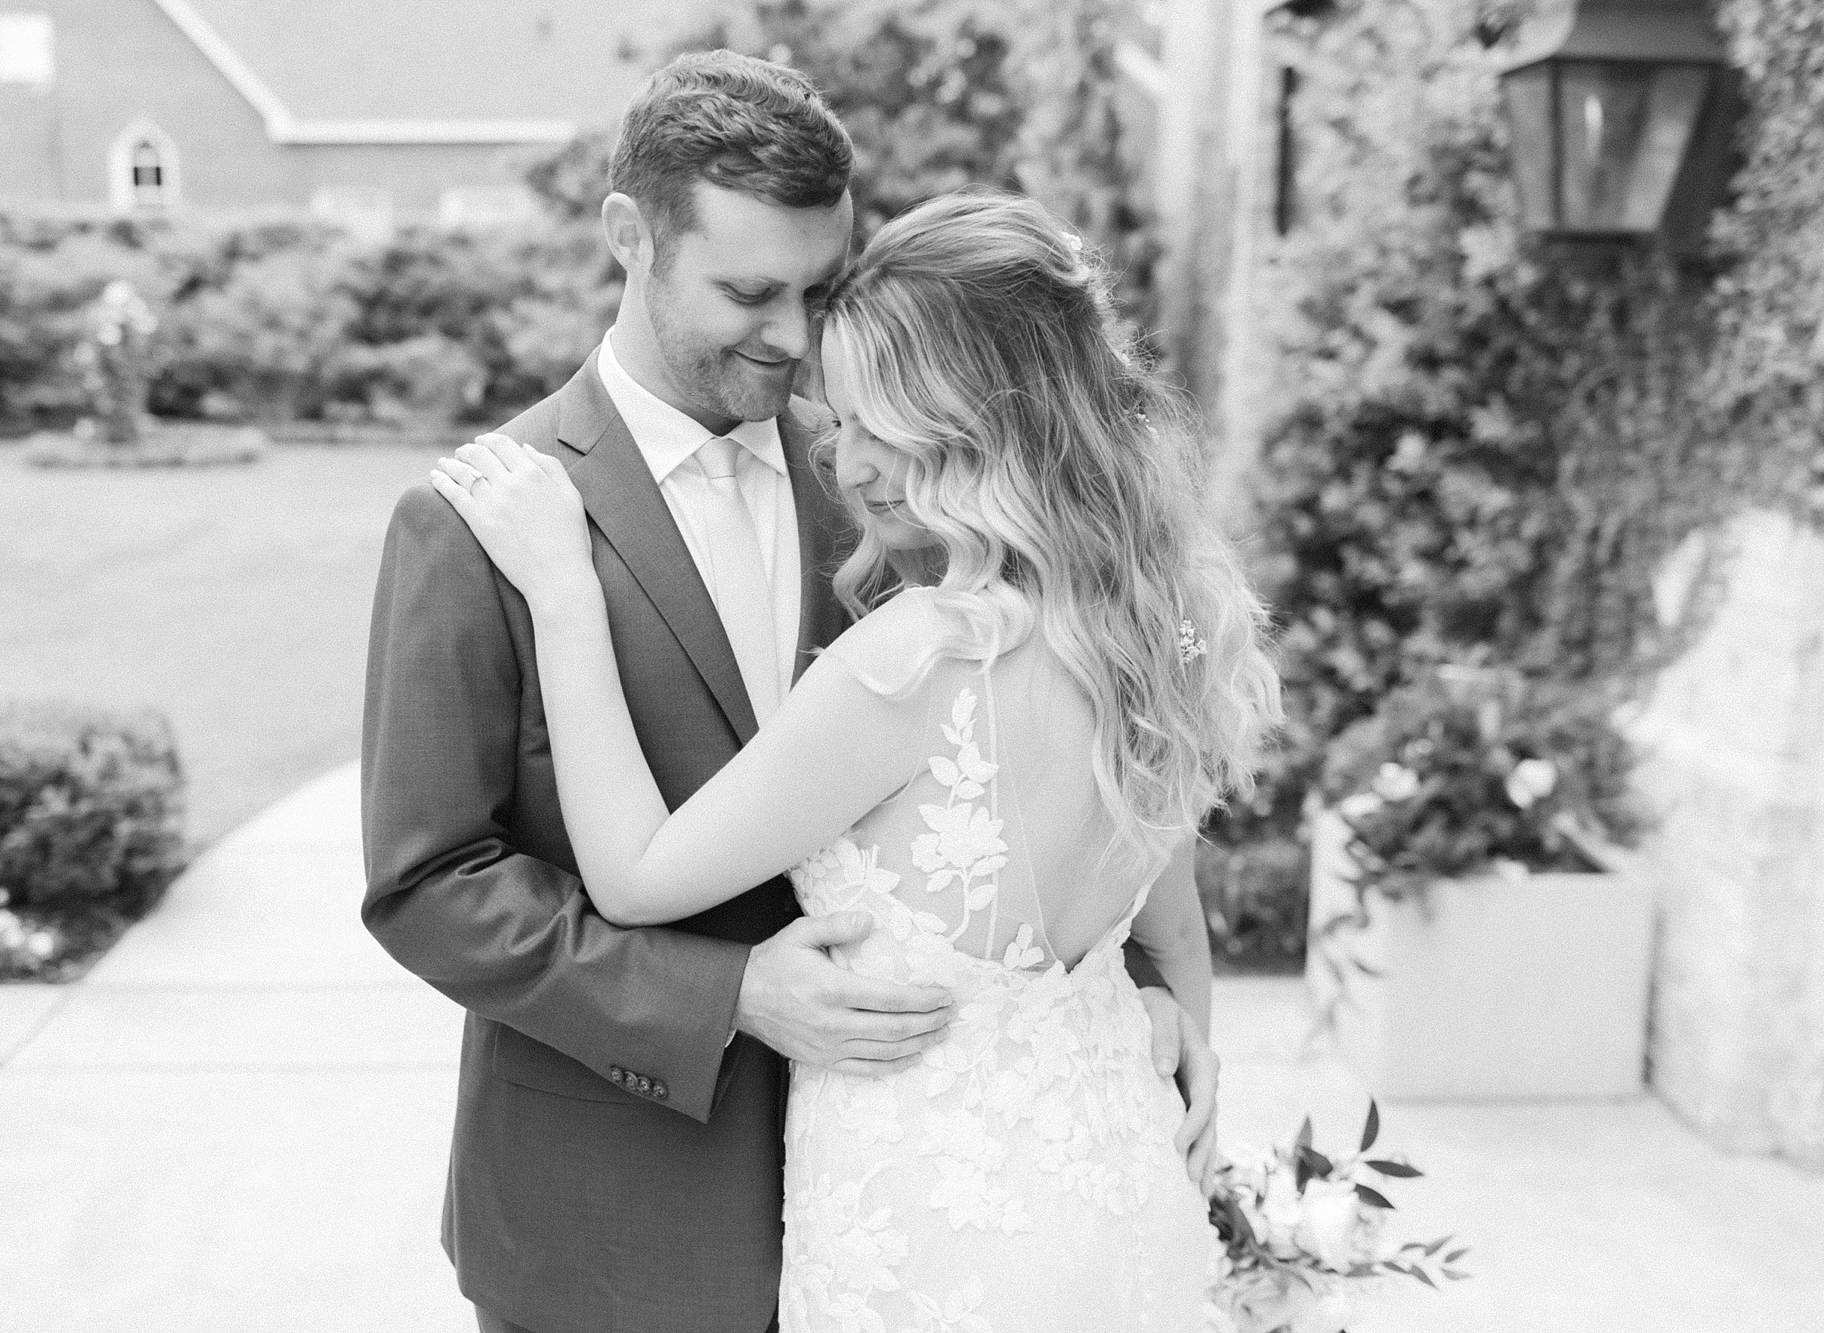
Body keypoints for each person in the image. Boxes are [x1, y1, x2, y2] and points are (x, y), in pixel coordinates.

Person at [366, 49, 1219, 1333]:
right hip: (615, 1214)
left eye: (819, 289)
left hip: (928, 1198)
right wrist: (725, 996)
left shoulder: (906, 475)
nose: (793, 338)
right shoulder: (479, 522)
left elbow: (1071, 735)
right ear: (628, 239)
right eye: (749, 291)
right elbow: (428, 883)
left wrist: (1143, 994)